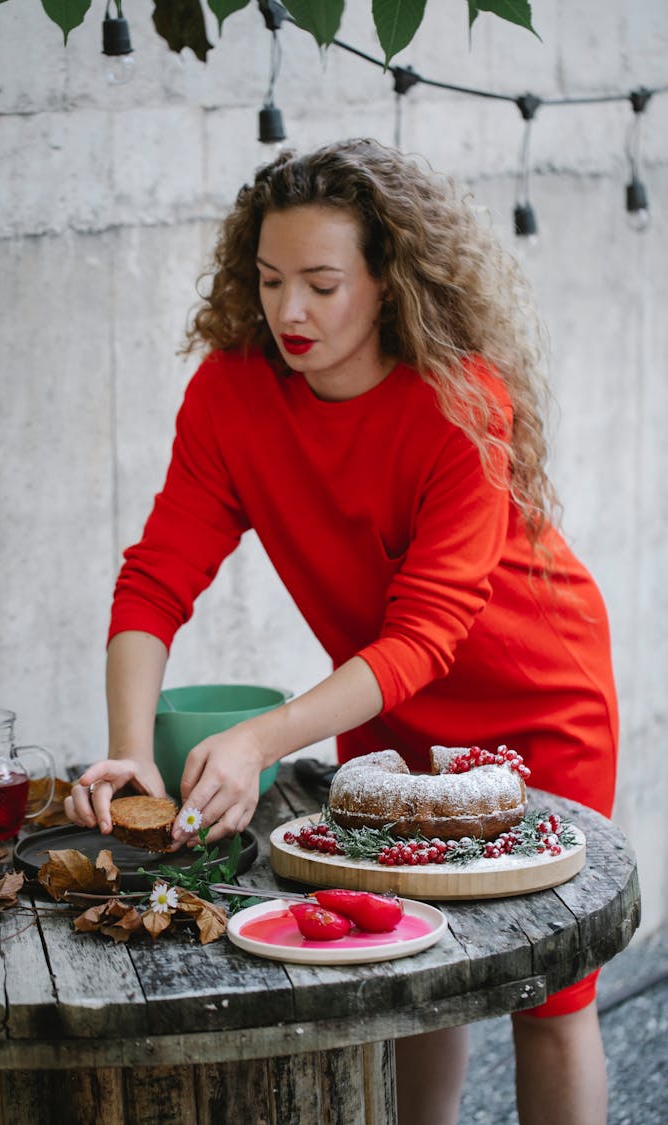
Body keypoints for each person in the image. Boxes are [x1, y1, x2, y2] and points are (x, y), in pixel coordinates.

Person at [65, 138, 618, 1125]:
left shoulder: (459, 404)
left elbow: (429, 634)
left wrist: (266, 736)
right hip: (387, 708)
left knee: (548, 996)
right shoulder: (233, 396)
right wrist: (126, 751)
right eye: (271, 280)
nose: (289, 313)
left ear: (391, 282)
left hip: (536, 700)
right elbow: (155, 579)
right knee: (405, 969)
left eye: (322, 284)